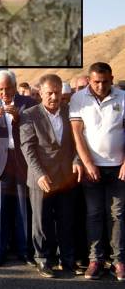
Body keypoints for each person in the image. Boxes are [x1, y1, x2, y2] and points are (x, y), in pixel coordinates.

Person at [20, 74, 80, 278]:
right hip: (41, 178)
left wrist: (76, 161)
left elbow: (78, 143)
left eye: (57, 93)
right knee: (41, 222)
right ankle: (43, 260)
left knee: (66, 220)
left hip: (65, 178)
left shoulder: (69, 112)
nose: (54, 97)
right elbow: (27, 148)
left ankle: (67, 259)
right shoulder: (29, 115)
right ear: (40, 94)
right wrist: (39, 174)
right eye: (49, 93)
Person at [70, 62, 125, 280]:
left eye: (104, 81)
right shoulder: (78, 99)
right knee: (94, 214)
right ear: (90, 80)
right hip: (91, 168)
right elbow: (77, 133)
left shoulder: (122, 97)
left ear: (112, 79)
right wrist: (88, 162)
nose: (100, 86)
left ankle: (119, 261)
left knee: (118, 215)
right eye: (96, 82)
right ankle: (95, 260)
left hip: (118, 168)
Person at [0, 70, 37, 266]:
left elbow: (36, 129)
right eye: (0, 89)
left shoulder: (27, 103)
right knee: (0, 210)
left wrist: (19, 118)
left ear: (14, 85)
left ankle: (24, 252)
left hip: (21, 161)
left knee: (22, 210)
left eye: (7, 88)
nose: (4, 93)